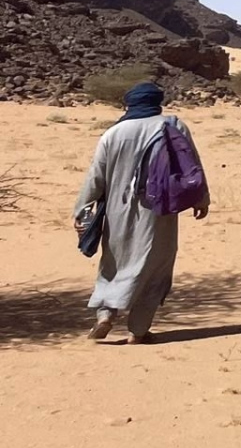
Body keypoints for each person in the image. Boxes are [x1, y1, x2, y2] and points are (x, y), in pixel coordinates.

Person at [71, 81, 211, 343]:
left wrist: (82, 206)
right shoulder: (172, 125)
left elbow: (96, 176)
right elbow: (192, 164)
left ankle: (105, 314)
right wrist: (202, 198)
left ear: (130, 103)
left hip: (116, 211)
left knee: (113, 263)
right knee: (155, 267)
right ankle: (138, 330)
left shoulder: (113, 133)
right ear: (157, 102)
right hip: (160, 211)